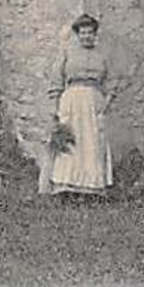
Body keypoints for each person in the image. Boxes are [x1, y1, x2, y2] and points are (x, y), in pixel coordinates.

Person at [47, 13, 113, 196]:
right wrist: (56, 104)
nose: (87, 36)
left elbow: (111, 82)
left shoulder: (102, 56)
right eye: (83, 33)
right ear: (77, 34)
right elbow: (56, 79)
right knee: (71, 141)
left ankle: (92, 186)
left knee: (92, 143)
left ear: (95, 34)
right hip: (71, 101)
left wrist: (106, 102)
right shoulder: (67, 53)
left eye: (90, 33)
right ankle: (66, 184)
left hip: (94, 101)